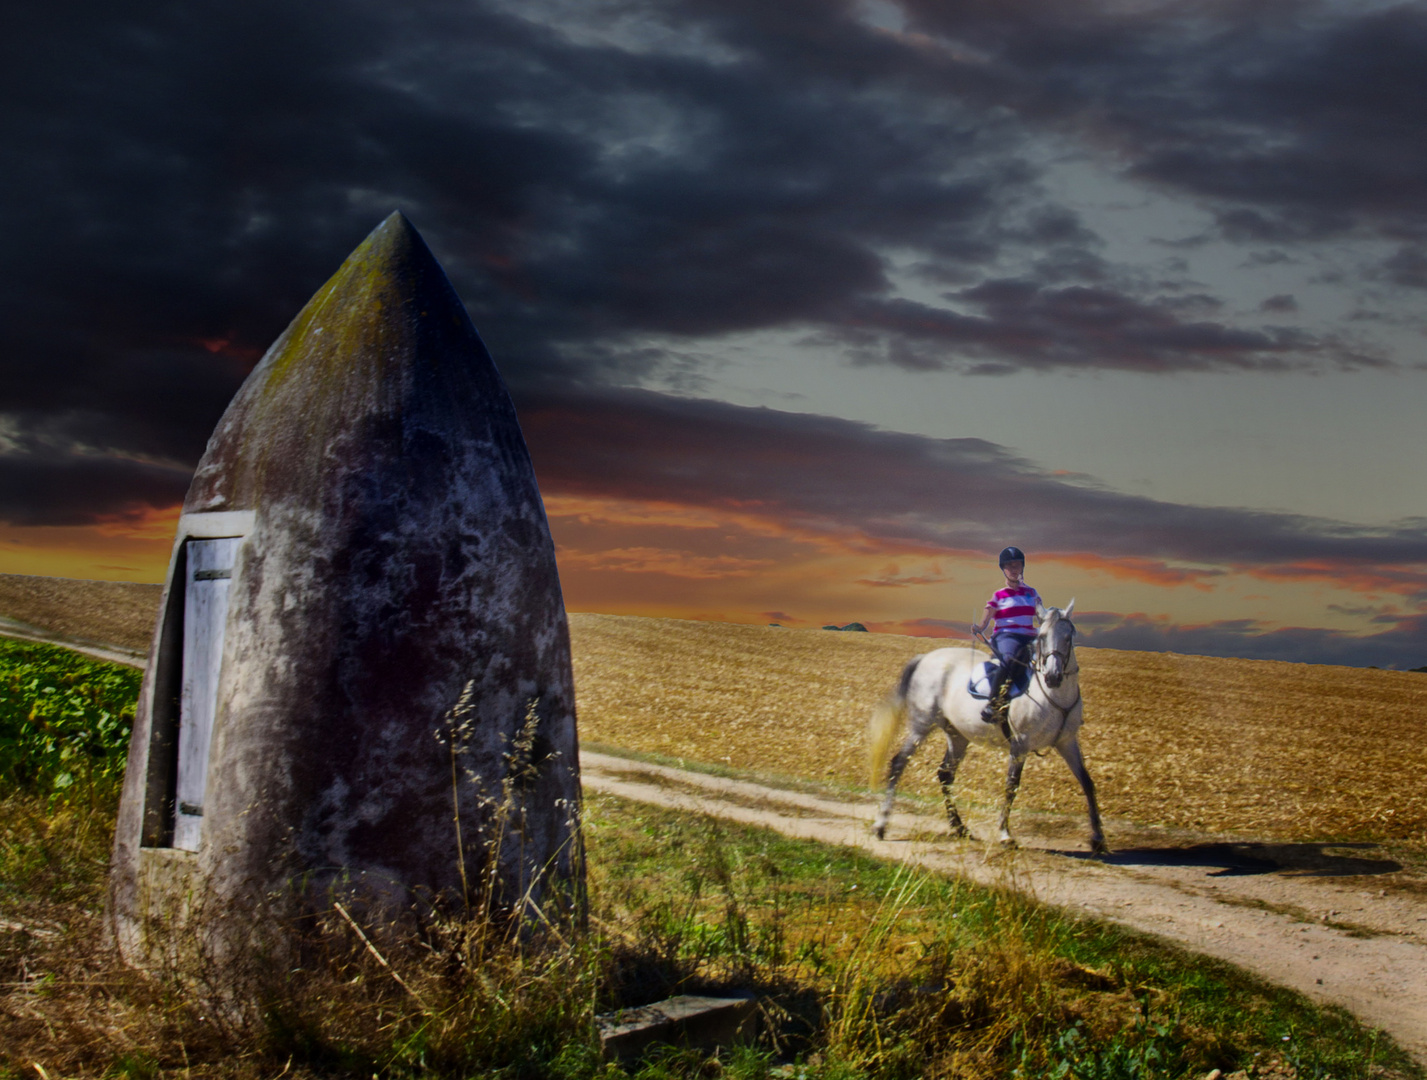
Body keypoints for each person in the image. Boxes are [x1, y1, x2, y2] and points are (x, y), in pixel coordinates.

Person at [971, 546, 1042, 724]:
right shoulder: (999, 595)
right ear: (1004, 569)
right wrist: (980, 626)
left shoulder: (1032, 593)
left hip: (1029, 636)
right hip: (1007, 636)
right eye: (1009, 566)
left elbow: (1041, 614)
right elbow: (988, 613)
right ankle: (993, 703)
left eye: (1017, 566)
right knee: (1009, 660)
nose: (1014, 570)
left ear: (1022, 567)